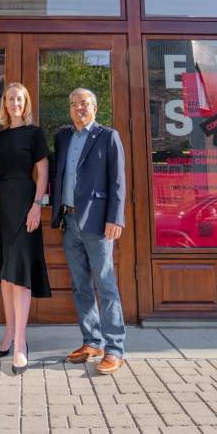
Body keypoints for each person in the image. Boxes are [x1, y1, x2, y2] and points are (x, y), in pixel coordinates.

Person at [50, 87, 127, 374]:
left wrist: (115, 218)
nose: (78, 108)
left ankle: (115, 348)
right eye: (73, 104)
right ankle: (91, 340)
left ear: (95, 107)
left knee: (105, 285)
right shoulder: (63, 137)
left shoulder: (108, 137)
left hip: (97, 223)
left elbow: (117, 181)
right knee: (80, 285)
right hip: (69, 223)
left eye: (83, 103)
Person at [0, 83, 50, 375]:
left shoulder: (34, 134)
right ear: (4, 104)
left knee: (19, 275)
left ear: (26, 102)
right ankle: (8, 333)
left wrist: (37, 205)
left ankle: (21, 344)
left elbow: (43, 171)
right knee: (5, 277)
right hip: (0, 207)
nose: (15, 103)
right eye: (10, 98)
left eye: (19, 98)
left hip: (24, 202)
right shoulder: (1, 136)